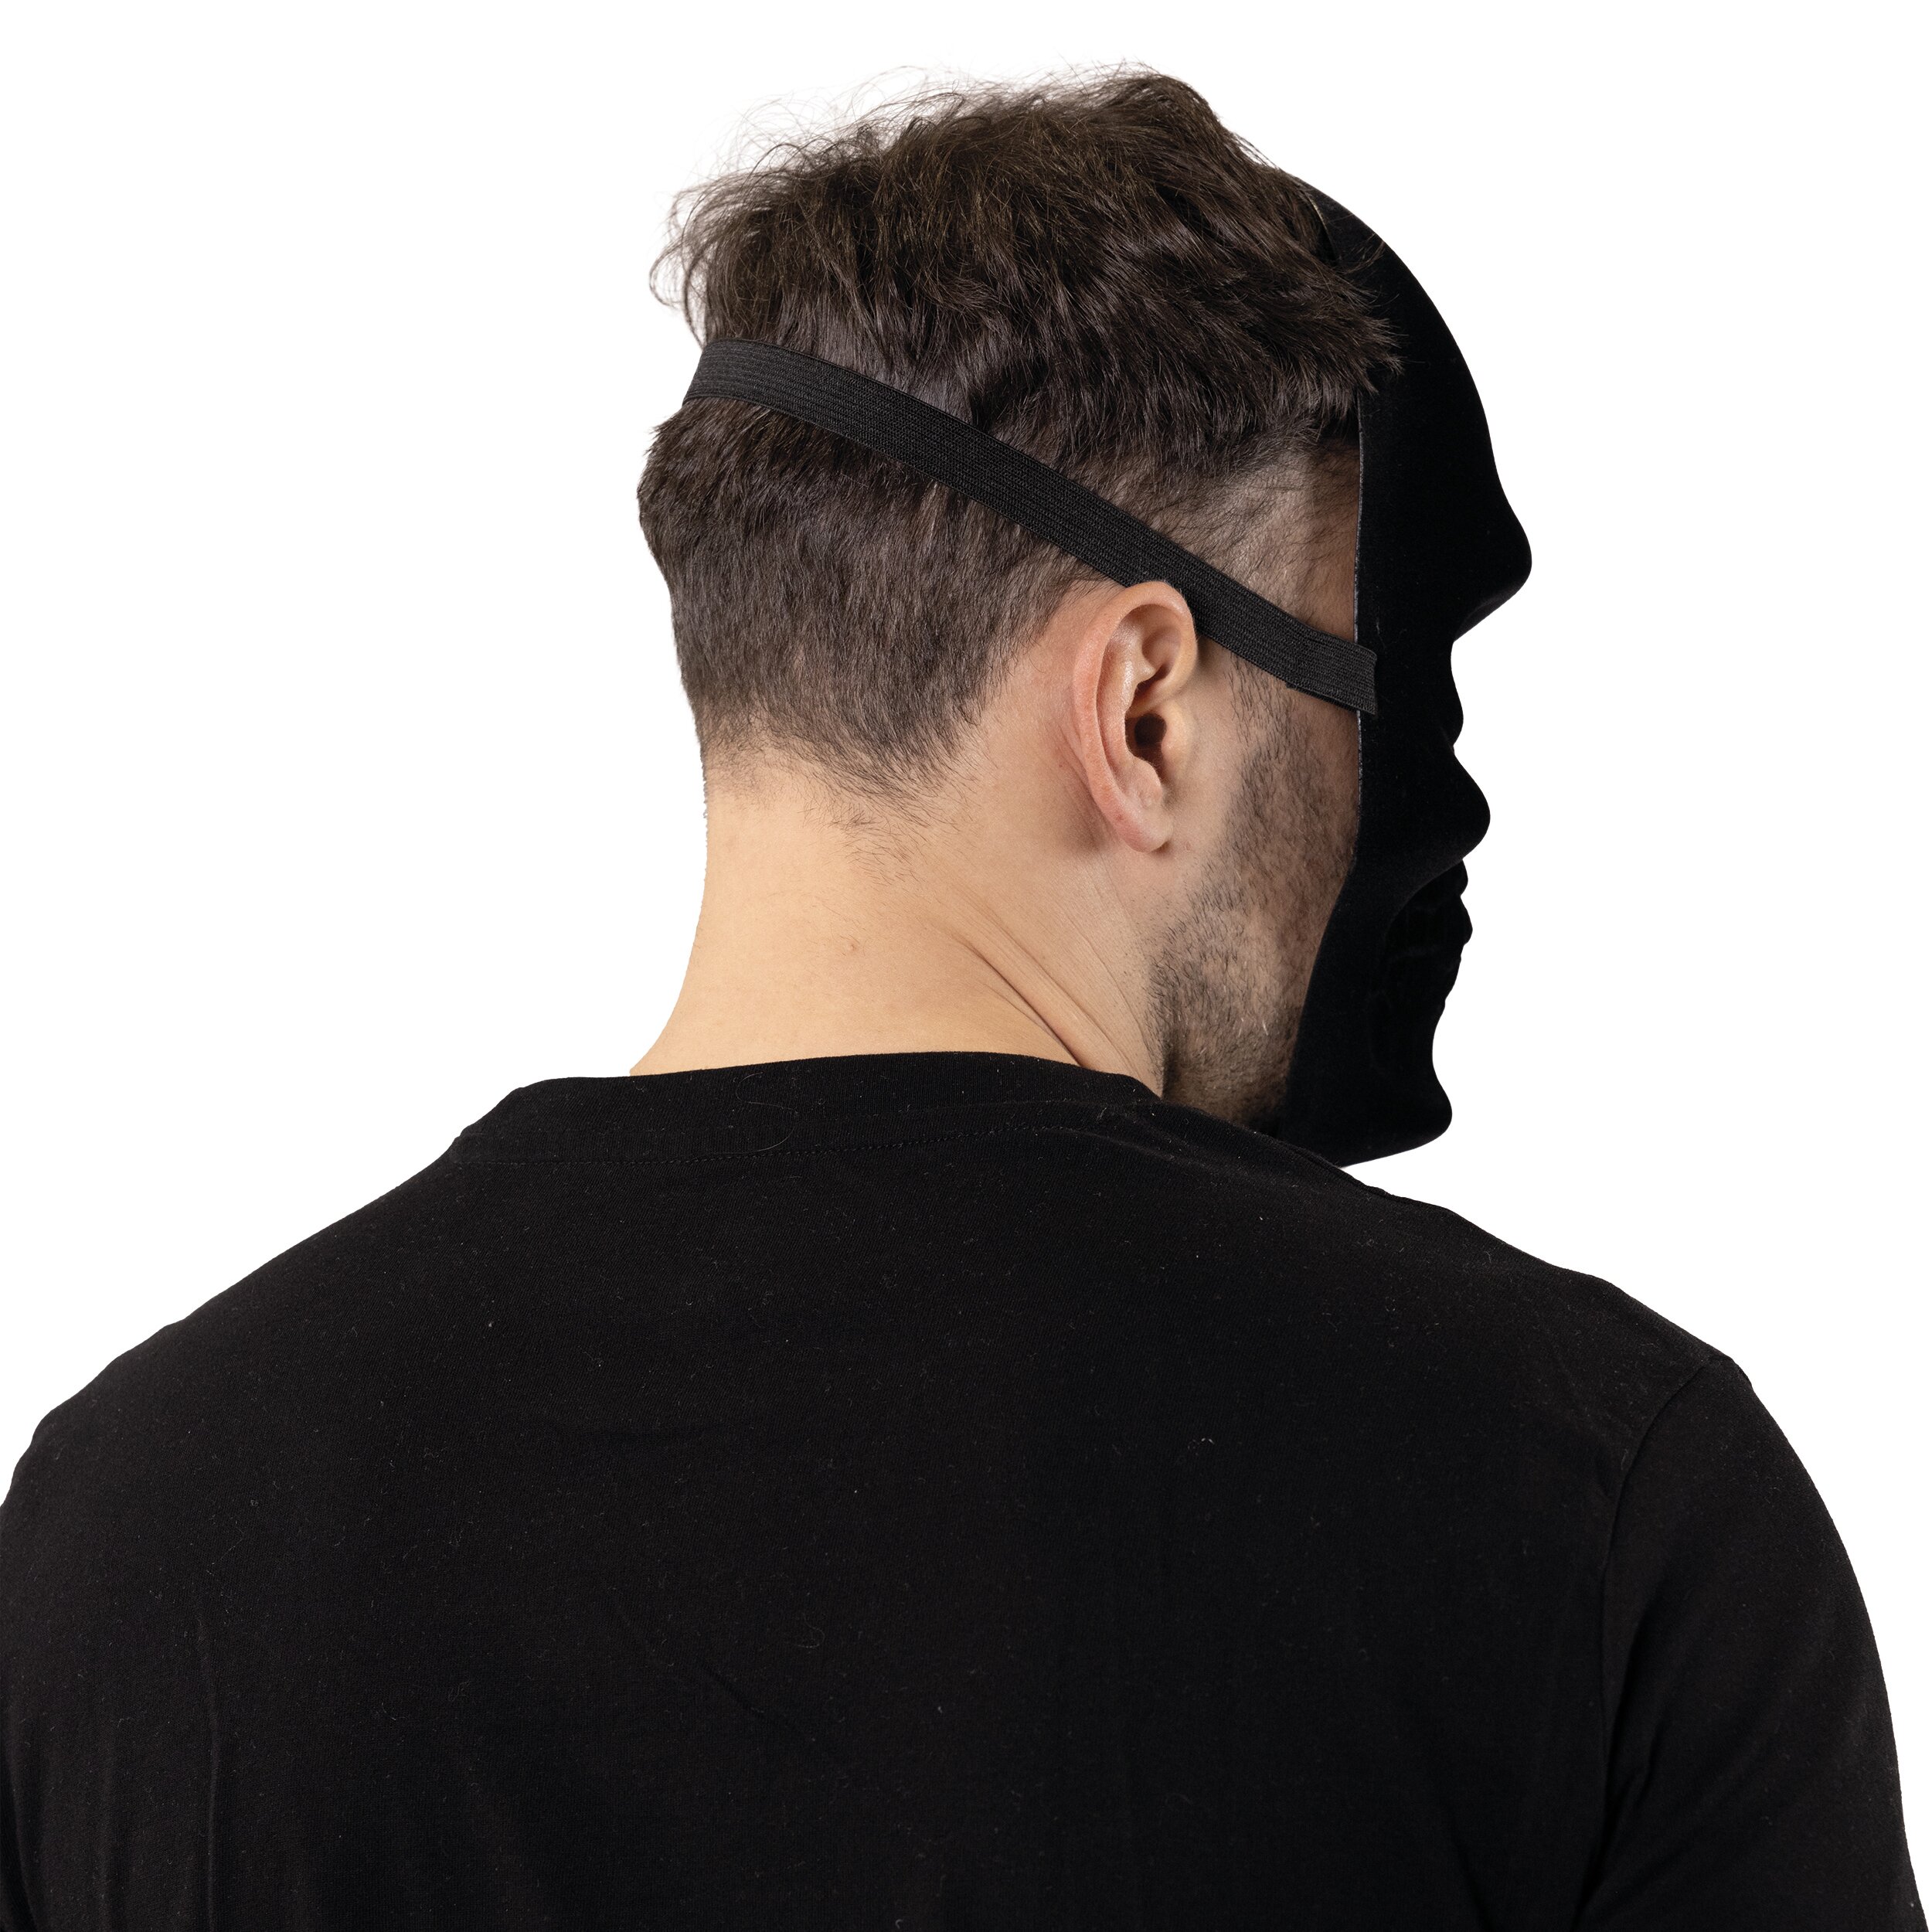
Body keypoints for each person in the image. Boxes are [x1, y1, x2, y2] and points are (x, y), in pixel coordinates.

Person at [0, 69, 1919, 1932]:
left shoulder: (122, 1526)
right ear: (1143, 707)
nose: (1428, 799)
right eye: (1372, 688)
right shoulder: (1585, 1496)